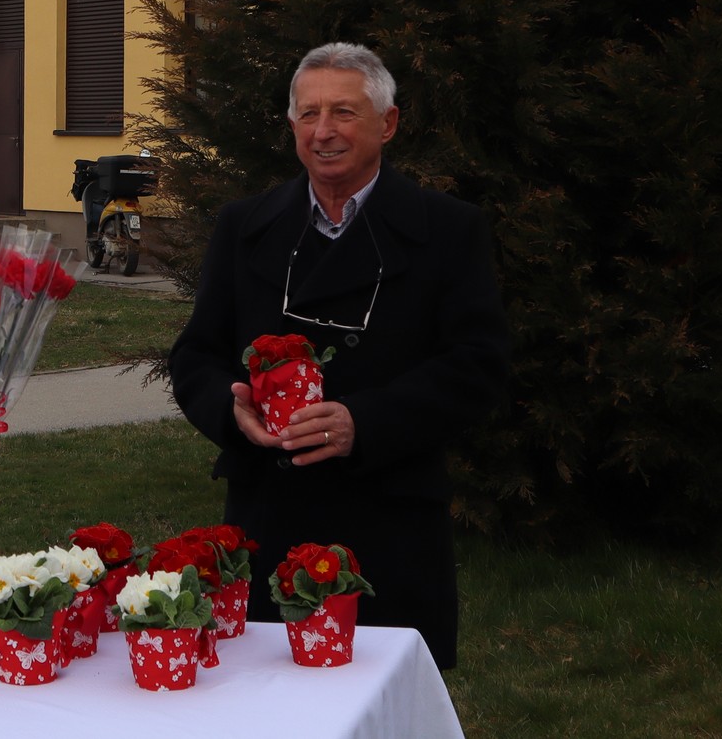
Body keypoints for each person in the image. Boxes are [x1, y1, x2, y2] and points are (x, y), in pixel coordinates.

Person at [167, 43, 511, 670]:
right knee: (263, 704)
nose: (323, 132)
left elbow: (478, 365)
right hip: (267, 517)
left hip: (390, 520)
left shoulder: (450, 230)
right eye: (308, 113)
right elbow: (195, 353)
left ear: (389, 123)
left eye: (344, 113)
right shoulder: (244, 226)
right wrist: (229, 408)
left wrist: (366, 421)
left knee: (379, 704)